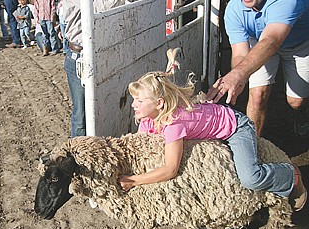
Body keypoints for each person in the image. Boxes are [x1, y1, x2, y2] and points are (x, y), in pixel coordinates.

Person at [117, 71, 307, 211]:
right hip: (209, 129)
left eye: (139, 101)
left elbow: (170, 169)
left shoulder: (175, 123)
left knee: (250, 178)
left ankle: (291, 175)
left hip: (235, 127)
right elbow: (140, 144)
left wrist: (134, 181)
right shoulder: (148, 118)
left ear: (159, 103)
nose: (133, 105)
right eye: (134, 100)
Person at [207, 0, 309, 137]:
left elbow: (272, 40)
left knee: (297, 101)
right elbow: (240, 54)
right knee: (257, 96)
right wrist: (237, 80)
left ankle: (302, 112)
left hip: (297, 44)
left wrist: (238, 75)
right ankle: (252, 148)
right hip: (259, 40)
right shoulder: (234, 9)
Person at [63, 0, 154, 137]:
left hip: (107, 53)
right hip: (80, 55)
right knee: (82, 114)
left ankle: (101, 152)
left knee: (107, 106)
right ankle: (80, 156)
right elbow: (95, 7)